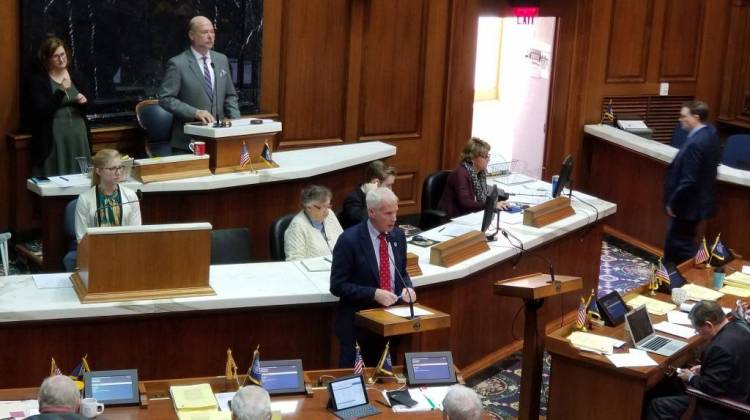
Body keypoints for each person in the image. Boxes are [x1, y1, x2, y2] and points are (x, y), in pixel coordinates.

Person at [330, 187, 416, 367]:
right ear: (371, 212)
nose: (394, 218)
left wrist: (408, 287)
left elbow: (401, 272)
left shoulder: (398, 236)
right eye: (388, 213)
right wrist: (373, 293)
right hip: (359, 327)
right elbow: (337, 285)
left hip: (390, 322)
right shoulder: (349, 240)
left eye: (396, 212)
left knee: (386, 381)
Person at [646, 300, 750, 419]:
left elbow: (713, 388)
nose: (698, 333)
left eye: (698, 330)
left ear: (709, 325)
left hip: (727, 408)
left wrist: (691, 377)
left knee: (657, 406)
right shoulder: (740, 327)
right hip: (742, 390)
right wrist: (706, 368)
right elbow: (735, 361)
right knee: (673, 384)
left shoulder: (719, 347)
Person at [159, 15, 241, 153]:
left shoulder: (221, 59)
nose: (210, 36)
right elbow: (165, 99)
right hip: (188, 142)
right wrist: (195, 112)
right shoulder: (178, 64)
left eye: (212, 32)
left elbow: (230, 95)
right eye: (204, 32)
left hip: (219, 139)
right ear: (192, 35)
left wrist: (237, 123)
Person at [663, 101, 721, 266]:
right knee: (680, 244)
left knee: (678, 245)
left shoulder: (695, 143)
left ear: (695, 117)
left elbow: (689, 179)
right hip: (698, 203)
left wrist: (673, 202)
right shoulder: (710, 133)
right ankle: (674, 276)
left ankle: (713, 262)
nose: (680, 119)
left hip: (687, 205)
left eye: (683, 116)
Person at [29, 36, 91, 177]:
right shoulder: (39, 80)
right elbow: (42, 110)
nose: (61, 59)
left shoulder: (76, 76)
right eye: (56, 56)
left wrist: (84, 101)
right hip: (54, 137)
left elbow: (89, 107)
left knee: (82, 176)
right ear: (47, 59)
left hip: (78, 135)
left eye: (63, 55)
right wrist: (61, 91)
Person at [75, 149, 142, 242]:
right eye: (112, 168)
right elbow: (81, 237)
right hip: (95, 251)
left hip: (125, 249)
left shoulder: (131, 196)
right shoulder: (85, 199)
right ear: (98, 171)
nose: (118, 172)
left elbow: (136, 232)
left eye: (120, 167)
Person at [438, 137, 508, 219]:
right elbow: (465, 202)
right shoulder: (460, 173)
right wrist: (491, 205)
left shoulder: (480, 174)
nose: (488, 159)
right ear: (473, 158)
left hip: (468, 216)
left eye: (488, 156)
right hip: (452, 219)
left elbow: (483, 196)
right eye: (485, 156)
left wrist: (498, 202)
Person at [284, 185, 343, 261]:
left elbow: (343, 241)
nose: (327, 211)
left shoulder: (330, 214)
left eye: (328, 206)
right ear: (308, 207)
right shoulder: (297, 227)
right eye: (323, 207)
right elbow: (295, 261)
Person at [340, 161, 396, 229]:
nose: (391, 190)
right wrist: (370, 197)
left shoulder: (383, 197)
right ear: (375, 182)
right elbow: (363, 224)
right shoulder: (352, 199)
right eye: (388, 185)